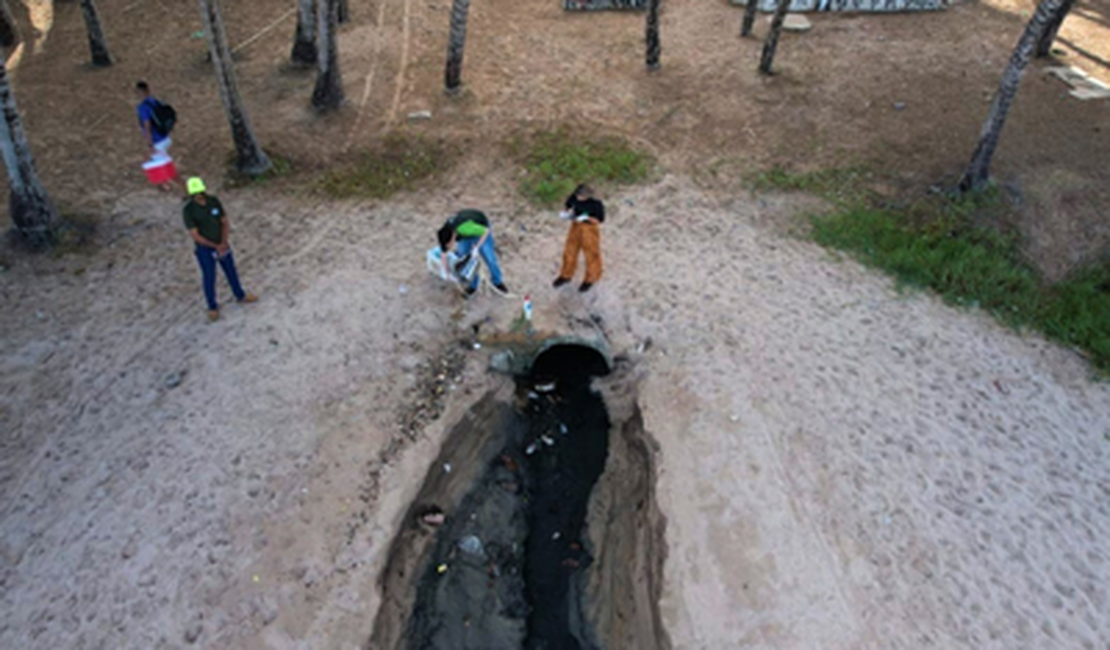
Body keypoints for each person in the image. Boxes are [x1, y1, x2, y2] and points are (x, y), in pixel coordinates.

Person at [182, 177, 258, 322]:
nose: (200, 196)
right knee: (209, 276)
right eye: (197, 194)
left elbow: (224, 222)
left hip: (222, 243)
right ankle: (212, 306)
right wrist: (215, 246)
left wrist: (223, 241)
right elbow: (195, 235)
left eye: (201, 192)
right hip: (205, 249)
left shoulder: (213, 201)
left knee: (231, 271)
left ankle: (240, 295)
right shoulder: (189, 211)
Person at [436, 209, 510, 297]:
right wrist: (446, 274)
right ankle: (472, 285)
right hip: (466, 233)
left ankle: (497, 281)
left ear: (451, 239)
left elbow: (486, 231)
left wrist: (477, 247)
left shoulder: (463, 228)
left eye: (449, 245)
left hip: (481, 229)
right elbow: (444, 254)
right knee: (465, 259)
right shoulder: (444, 232)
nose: (450, 247)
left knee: (490, 259)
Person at [552, 183, 604, 292]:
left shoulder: (596, 204)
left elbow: (599, 220)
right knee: (569, 250)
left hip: (589, 228)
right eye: (578, 196)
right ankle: (566, 275)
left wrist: (587, 217)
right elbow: (568, 206)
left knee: (591, 253)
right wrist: (565, 214)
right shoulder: (574, 198)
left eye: (581, 196)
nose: (579, 198)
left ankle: (591, 278)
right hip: (576, 225)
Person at [135, 80, 179, 192]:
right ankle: (167, 185)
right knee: (152, 161)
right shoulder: (156, 102)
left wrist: (150, 144)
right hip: (165, 137)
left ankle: (173, 187)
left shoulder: (143, 107)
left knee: (162, 166)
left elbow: (147, 125)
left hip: (157, 141)